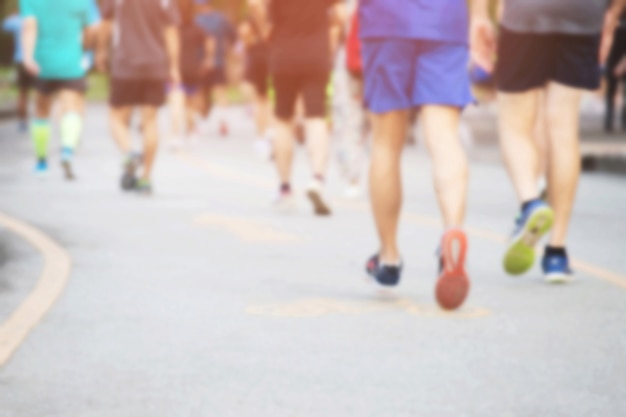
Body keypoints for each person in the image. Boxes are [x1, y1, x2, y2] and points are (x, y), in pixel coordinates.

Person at [471, 0, 626, 282]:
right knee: (564, 127)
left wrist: (480, 15)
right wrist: (612, 15)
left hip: (526, 13)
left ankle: (531, 202)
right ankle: (556, 253)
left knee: (515, 123)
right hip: (583, 14)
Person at [359, 0, 474, 310]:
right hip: (446, 18)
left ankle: (388, 260)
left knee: (385, 143)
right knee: (445, 136)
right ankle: (452, 229)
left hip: (386, 18)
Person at [267, 0, 343, 216]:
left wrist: (267, 27)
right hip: (316, 55)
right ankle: (317, 179)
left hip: (283, 53)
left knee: (283, 119)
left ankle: (285, 188)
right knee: (316, 117)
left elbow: (254, 4)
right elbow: (340, 14)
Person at [98, 0, 180, 195]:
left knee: (116, 117)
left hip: (125, 65)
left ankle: (129, 151)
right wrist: (174, 66)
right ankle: (146, 178)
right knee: (150, 121)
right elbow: (171, 30)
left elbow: (106, 23)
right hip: (155, 64)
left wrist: (100, 51)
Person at [20, 0, 100, 179]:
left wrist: (27, 57)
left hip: (43, 63)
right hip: (71, 63)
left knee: (41, 111)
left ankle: (41, 161)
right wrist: (84, 48)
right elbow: (92, 29)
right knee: (71, 107)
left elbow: (29, 26)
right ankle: (67, 151)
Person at [168, 0, 215, 150]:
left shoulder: (171, 28)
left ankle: (176, 135)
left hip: (176, 69)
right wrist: (208, 59)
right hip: (193, 70)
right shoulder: (197, 28)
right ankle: (191, 131)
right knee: (189, 105)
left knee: (176, 103)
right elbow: (210, 41)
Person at [195, 0, 237, 137]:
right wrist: (230, 53)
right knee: (220, 92)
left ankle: (201, 122)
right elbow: (233, 36)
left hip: (200, 62)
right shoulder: (221, 19)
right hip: (219, 61)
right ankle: (223, 121)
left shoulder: (196, 20)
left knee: (200, 93)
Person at [239, 0, 271, 150]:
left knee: (260, 99)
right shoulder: (274, 9)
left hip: (259, 55)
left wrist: (249, 44)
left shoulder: (254, 13)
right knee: (268, 99)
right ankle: (267, 133)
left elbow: (244, 32)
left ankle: (262, 135)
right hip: (271, 54)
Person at [2, 9, 34, 132]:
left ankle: (22, 121)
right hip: (35, 59)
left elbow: (5, 25)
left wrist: (13, 16)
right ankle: (40, 120)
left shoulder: (16, 21)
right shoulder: (36, 19)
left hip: (20, 60)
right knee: (41, 92)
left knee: (22, 92)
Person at [605, 11, 626, 132]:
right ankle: (615, 123)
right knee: (615, 94)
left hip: (615, 62)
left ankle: (609, 123)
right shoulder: (612, 29)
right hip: (615, 62)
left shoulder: (613, 29)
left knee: (611, 94)